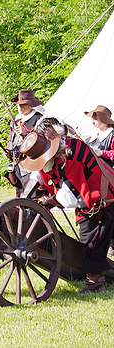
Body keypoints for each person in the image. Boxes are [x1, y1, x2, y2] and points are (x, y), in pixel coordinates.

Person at [20, 118, 114, 293]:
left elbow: (69, 198)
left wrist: (47, 201)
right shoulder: (50, 154)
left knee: (92, 241)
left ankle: (96, 284)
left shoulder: (71, 157)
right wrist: (28, 197)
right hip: (90, 200)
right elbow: (38, 177)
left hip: (100, 198)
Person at [6, 89, 45, 197]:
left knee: (33, 198)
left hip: (32, 166)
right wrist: (9, 151)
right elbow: (11, 139)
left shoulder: (39, 119)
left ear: (31, 104)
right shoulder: (16, 120)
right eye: (19, 104)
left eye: (23, 104)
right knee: (20, 198)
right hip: (18, 165)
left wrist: (26, 133)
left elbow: (41, 142)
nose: (20, 107)